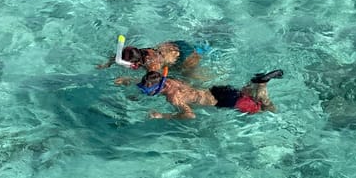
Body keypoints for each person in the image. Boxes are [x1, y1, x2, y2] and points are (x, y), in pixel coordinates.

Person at [136, 68, 283, 119]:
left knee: (264, 109)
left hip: (223, 101)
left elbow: (190, 115)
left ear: (159, 89)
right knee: (246, 93)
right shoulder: (171, 81)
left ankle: (262, 87)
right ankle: (258, 82)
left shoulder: (173, 98)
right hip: (217, 90)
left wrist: (163, 116)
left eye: (149, 92)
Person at [98, 40, 206, 74]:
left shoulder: (152, 65)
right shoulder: (137, 52)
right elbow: (117, 57)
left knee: (188, 77)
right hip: (176, 45)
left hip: (187, 56)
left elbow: (153, 82)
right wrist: (106, 64)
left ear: (135, 64)